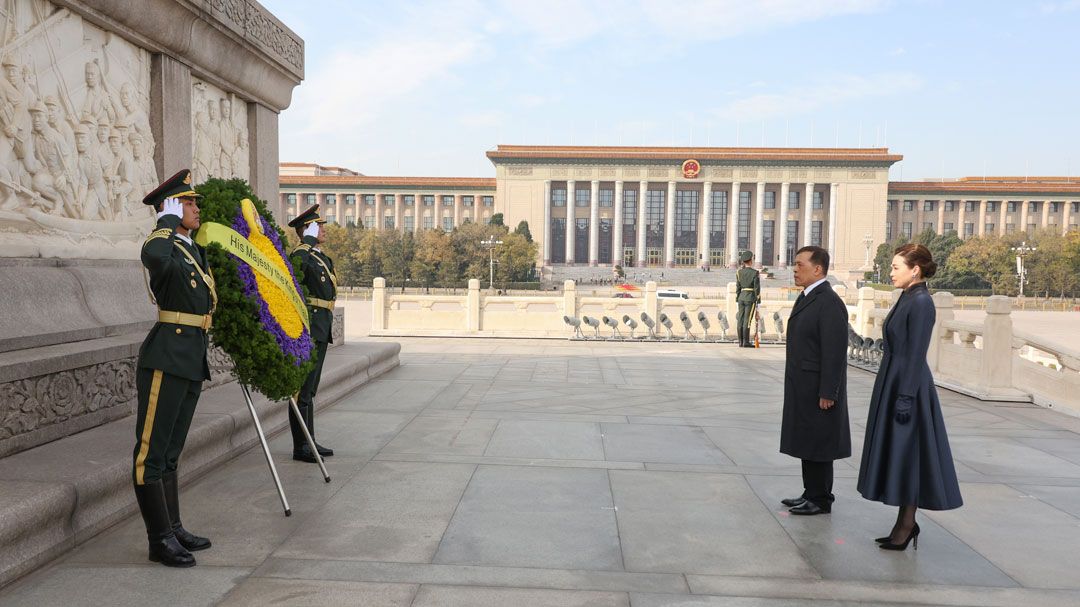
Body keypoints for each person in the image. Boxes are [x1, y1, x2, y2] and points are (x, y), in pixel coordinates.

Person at [133, 169, 215, 568]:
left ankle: (174, 527)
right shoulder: (161, 244)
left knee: (170, 452)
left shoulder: (188, 247)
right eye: (189, 202)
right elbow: (153, 258)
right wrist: (164, 222)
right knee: (151, 453)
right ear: (170, 207)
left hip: (189, 356)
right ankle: (158, 539)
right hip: (166, 355)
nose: (196, 208)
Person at [857, 244, 962, 550]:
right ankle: (903, 523)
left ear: (915, 269)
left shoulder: (922, 303)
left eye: (895, 267)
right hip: (894, 379)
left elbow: (916, 353)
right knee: (901, 454)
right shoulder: (907, 296)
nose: (890, 272)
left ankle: (906, 525)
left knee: (910, 456)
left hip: (908, 385)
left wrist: (905, 395)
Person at [779, 246, 850, 515]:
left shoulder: (828, 302)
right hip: (804, 385)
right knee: (808, 441)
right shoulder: (809, 297)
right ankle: (810, 492)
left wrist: (829, 391)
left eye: (800, 265)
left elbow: (834, 353)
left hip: (818, 388)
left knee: (819, 443)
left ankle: (821, 498)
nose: (795, 270)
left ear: (818, 269)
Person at [288, 205, 336, 463]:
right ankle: (301, 446)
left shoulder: (321, 256)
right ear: (306, 230)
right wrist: (306, 242)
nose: (324, 230)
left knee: (310, 390)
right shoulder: (300, 254)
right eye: (318, 226)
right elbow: (296, 270)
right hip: (308, 327)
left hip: (321, 325)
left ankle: (309, 440)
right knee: (301, 391)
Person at [735, 250, 760, 347]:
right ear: (750, 261)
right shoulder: (755, 273)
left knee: (740, 319)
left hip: (741, 297)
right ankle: (746, 342)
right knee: (747, 320)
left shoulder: (739, 272)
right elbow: (757, 288)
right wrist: (758, 302)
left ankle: (740, 342)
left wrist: (738, 298)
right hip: (750, 297)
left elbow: (738, 287)